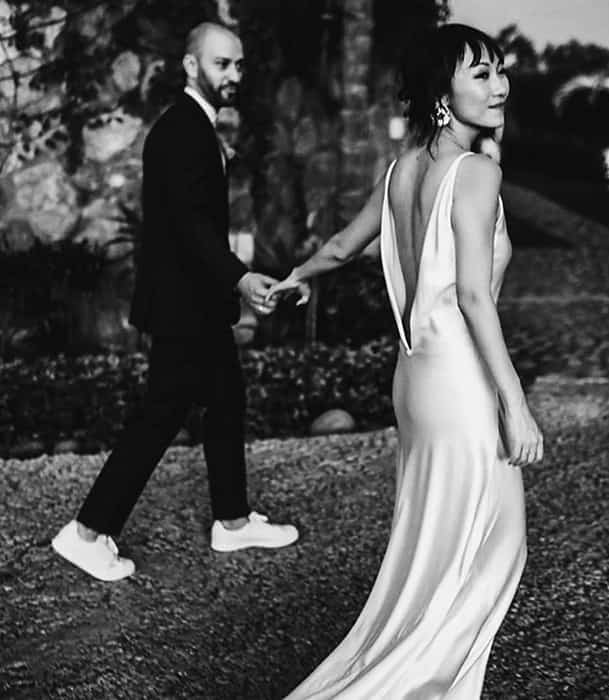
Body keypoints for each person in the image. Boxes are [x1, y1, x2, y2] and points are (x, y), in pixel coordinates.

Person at [268, 23, 543, 699]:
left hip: (415, 379)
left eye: (500, 70)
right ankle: (418, 683)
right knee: (496, 549)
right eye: (481, 73)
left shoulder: (399, 171)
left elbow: (341, 247)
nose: (501, 85)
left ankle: (414, 669)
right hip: (462, 385)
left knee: (434, 540)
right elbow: (473, 295)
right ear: (440, 93)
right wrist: (515, 404)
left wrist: (297, 276)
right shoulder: (477, 173)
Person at [52, 22, 299, 582]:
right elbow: (190, 228)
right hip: (183, 304)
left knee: (226, 399)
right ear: (191, 65)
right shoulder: (181, 131)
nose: (234, 75)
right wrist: (240, 277)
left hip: (196, 302)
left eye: (238, 64)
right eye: (222, 64)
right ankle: (86, 532)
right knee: (162, 412)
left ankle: (233, 522)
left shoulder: (196, 127)